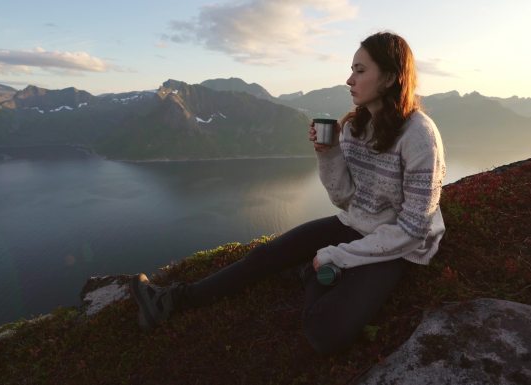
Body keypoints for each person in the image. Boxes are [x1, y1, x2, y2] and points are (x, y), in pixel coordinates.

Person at [129, 31, 446, 355]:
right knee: (264, 256)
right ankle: (171, 299)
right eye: (352, 69)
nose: (349, 79)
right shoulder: (353, 128)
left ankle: (310, 278)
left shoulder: (420, 136)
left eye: (360, 71)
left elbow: (413, 230)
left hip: (399, 245)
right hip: (357, 222)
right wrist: (329, 152)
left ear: (391, 77)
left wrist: (336, 256)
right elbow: (345, 198)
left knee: (326, 332)